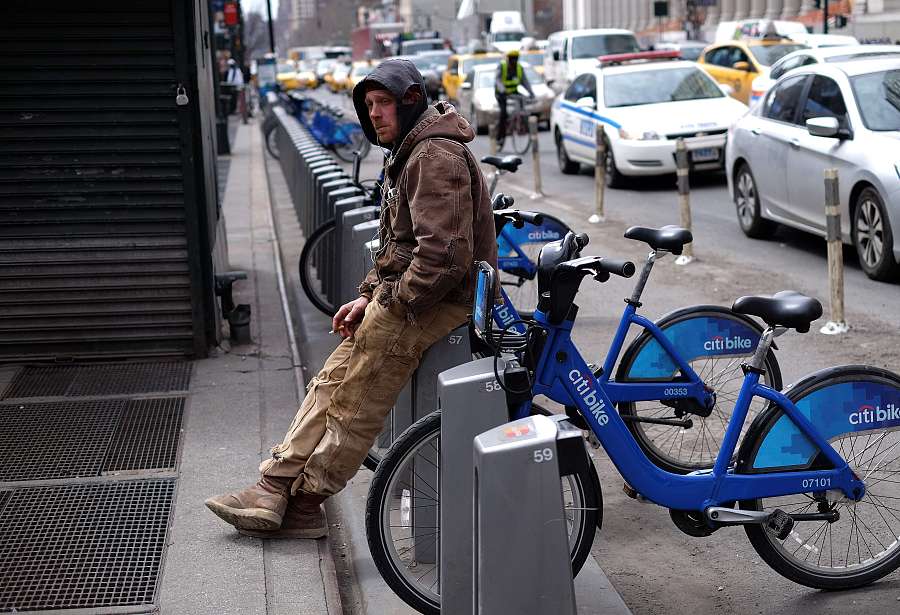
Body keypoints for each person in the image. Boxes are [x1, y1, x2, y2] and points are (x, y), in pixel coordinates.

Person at [205, 59, 498, 539]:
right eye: (369, 106)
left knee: (357, 397)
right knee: (332, 380)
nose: (375, 115)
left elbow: (444, 258)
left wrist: (394, 305)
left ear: (410, 103)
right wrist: (367, 297)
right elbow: (399, 245)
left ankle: (302, 501)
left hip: (437, 302)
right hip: (413, 296)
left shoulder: (434, 156)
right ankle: (276, 486)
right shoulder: (411, 151)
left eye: (383, 104)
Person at [494, 49, 534, 147]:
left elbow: (525, 82)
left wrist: (531, 93)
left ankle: (520, 120)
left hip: (513, 91)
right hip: (501, 93)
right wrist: (503, 90)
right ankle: (500, 137)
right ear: (508, 59)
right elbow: (498, 80)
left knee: (522, 101)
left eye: (515, 59)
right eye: (512, 59)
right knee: (503, 114)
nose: (514, 62)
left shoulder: (519, 68)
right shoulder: (502, 66)